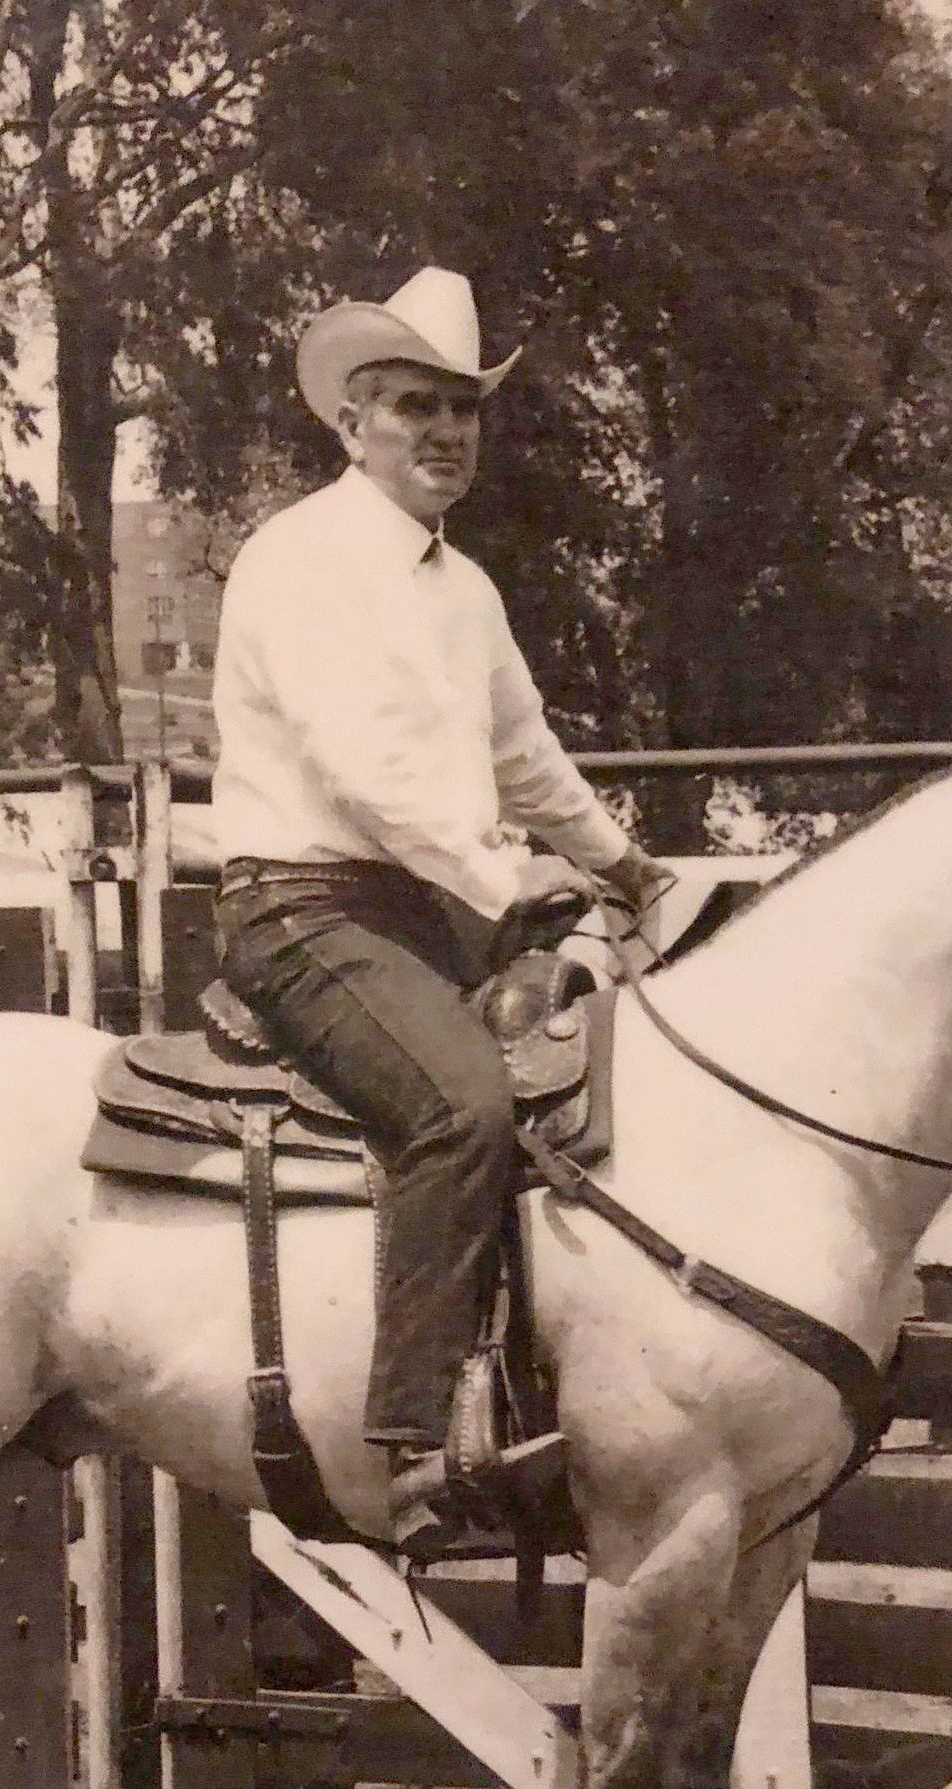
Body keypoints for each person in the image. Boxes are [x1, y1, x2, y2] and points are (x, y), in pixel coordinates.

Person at [210, 265, 672, 1540]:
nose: (446, 433)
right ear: (351, 421)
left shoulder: (464, 591)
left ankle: (546, 1387)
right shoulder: (298, 560)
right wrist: (503, 874)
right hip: (301, 905)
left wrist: (624, 864)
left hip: (418, 909)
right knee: (463, 1102)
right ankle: (408, 1441)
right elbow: (368, 770)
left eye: (464, 409)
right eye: (416, 406)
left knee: (596, 1058)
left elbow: (524, 753)